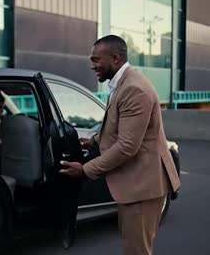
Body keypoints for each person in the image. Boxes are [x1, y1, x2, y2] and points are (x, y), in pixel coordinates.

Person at [60, 35, 181, 255]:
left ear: (115, 58)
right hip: (136, 185)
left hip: (142, 188)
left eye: (96, 60)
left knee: (137, 251)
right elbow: (119, 126)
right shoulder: (122, 83)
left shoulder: (134, 89)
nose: (92, 65)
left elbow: (127, 146)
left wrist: (86, 169)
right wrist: (95, 140)